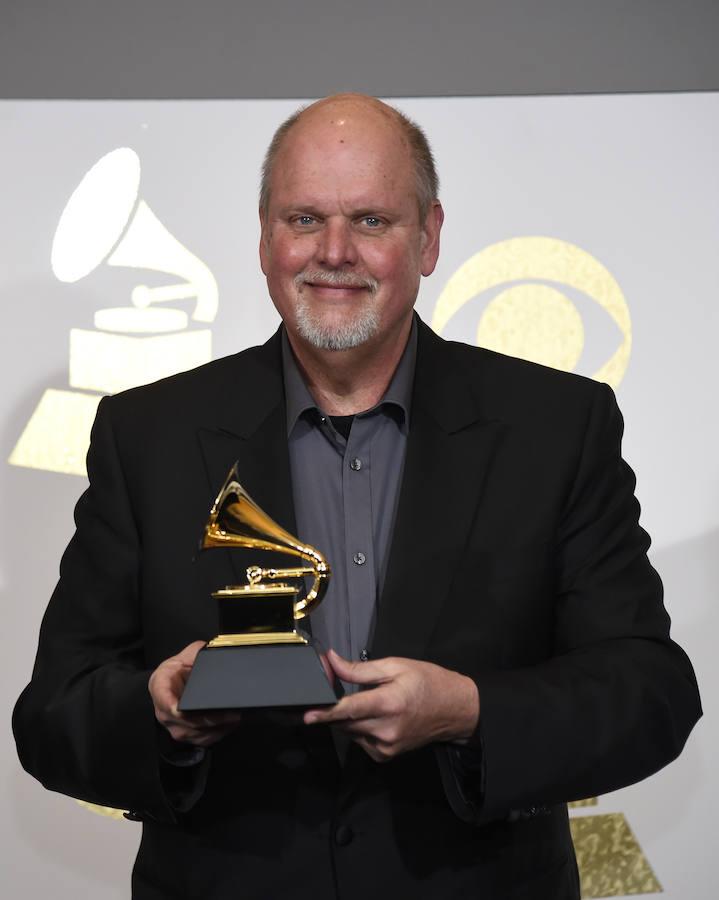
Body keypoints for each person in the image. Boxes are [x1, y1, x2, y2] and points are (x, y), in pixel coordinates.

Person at [13, 94, 701, 899]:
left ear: (429, 237)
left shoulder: (556, 427)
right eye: (303, 219)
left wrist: (472, 711)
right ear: (264, 236)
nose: (333, 252)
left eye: (370, 221)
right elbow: (52, 716)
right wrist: (159, 709)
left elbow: (649, 693)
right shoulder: (146, 433)